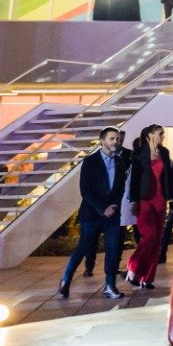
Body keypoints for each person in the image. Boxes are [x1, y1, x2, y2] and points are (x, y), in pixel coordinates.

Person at [59, 127, 128, 300]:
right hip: (92, 214)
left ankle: (110, 285)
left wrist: (114, 206)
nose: (116, 142)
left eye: (117, 139)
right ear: (102, 141)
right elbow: (85, 191)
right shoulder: (90, 162)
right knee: (84, 247)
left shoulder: (120, 162)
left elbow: (120, 188)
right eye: (112, 139)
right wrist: (102, 208)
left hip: (112, 215)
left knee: (113, 249)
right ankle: (66, 279)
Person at [122, 125, 172, 291]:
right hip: (144, 200)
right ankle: (133, 265)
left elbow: (168, 176)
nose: (162, 136)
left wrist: (170, 195)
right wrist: (133, 200)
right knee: (149, 236)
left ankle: (147, 278)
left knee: (157, 241)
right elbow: (135, 179)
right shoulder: (138, 153)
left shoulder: (164, 152)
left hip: (160, 199)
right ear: (151, 135)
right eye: (160, 134)